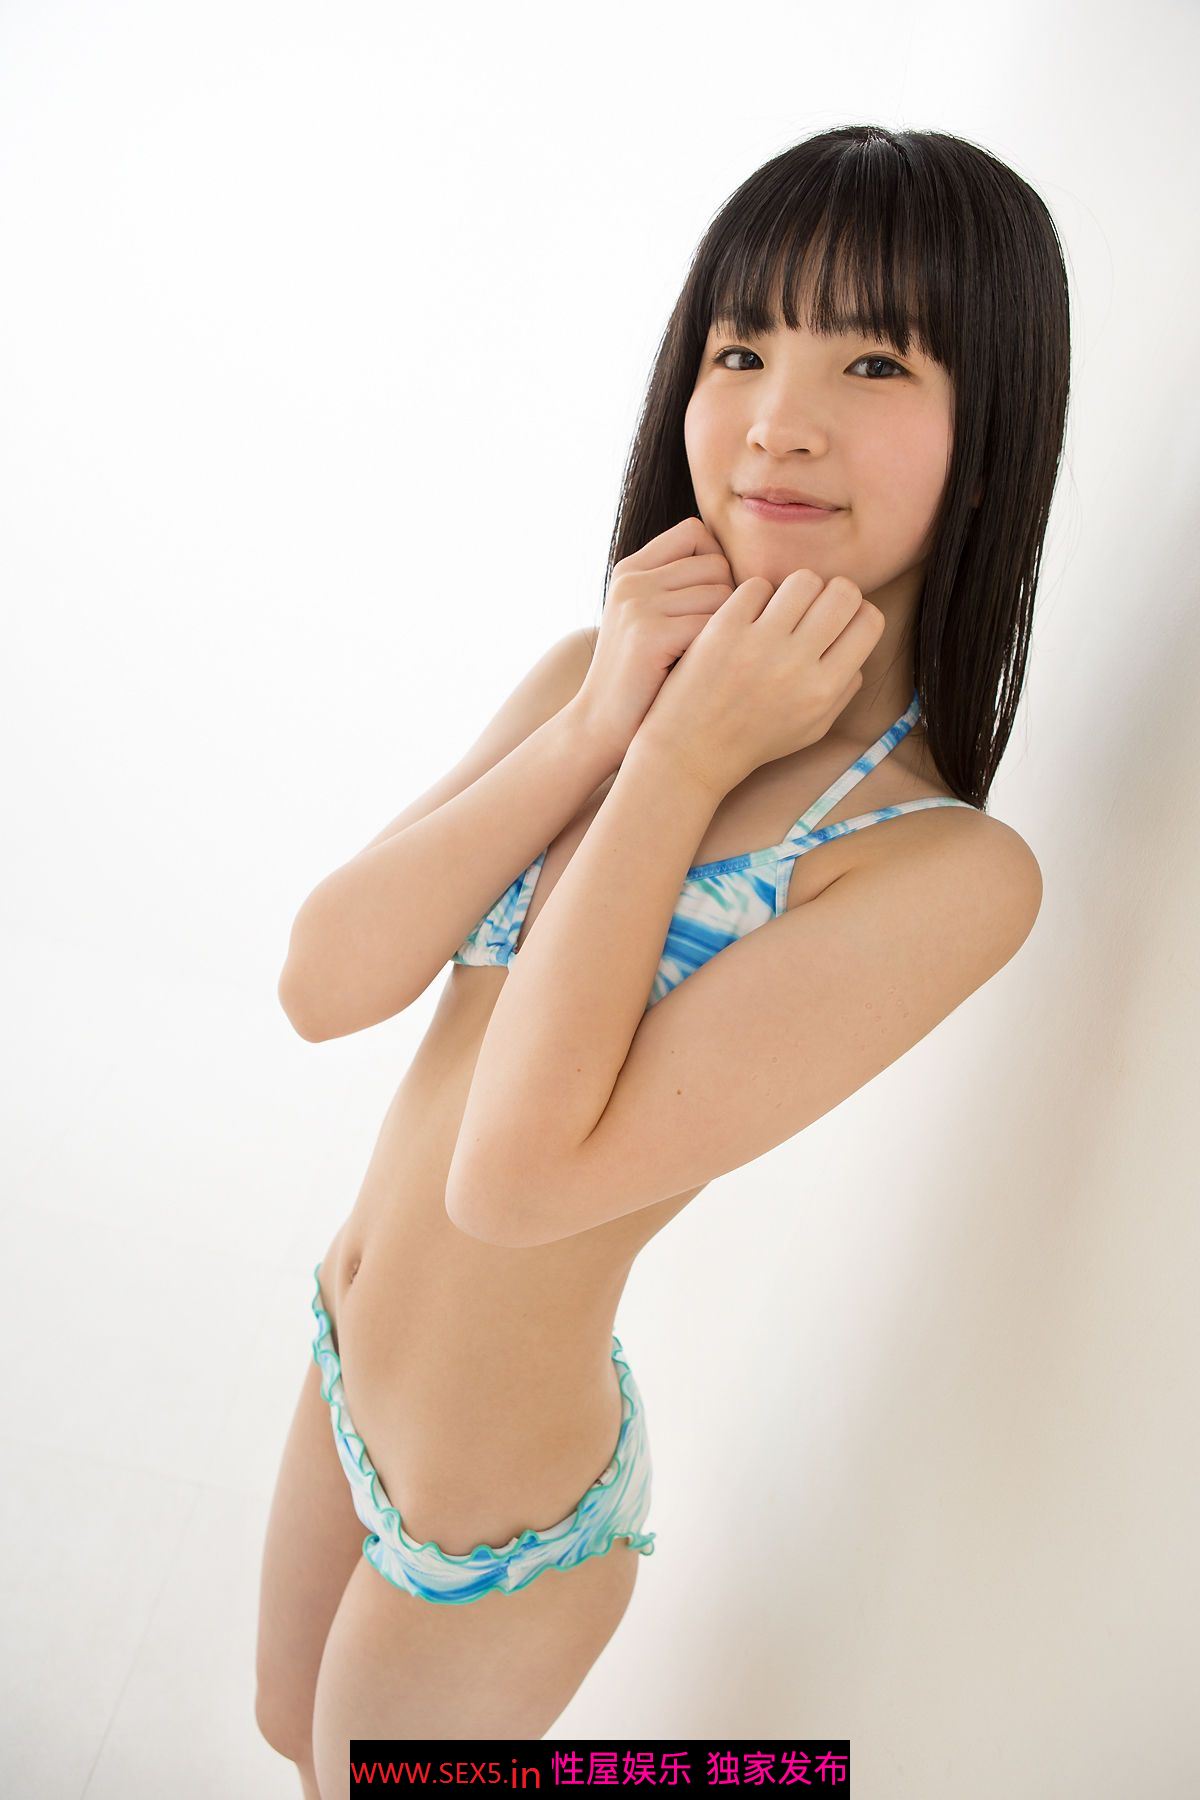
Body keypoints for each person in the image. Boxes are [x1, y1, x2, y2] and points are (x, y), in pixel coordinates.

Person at [255, 122, 1069, 1787]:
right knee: (288, 1734)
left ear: (990, 436)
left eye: (874, 361)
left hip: (495, 1525)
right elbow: (323, 984)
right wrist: (603, 729)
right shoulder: (595, 677)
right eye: (741, 347)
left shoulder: (936, 868)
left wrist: (684, 761)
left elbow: (515, 1178)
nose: (780, 416)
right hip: (346, 1366)